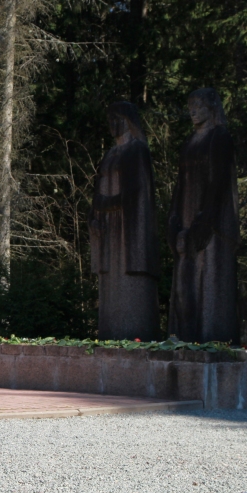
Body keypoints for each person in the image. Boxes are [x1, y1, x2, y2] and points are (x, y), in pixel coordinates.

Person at [167, 88, 239, 343]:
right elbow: (180, 184)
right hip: (187, 223)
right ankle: (186, 337)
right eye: (190, 107)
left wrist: (204, 222)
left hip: (211, 224)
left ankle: (211, 337)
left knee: (208, 282)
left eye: (198, 106)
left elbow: (218, 183)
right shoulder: (190, 142)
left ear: (212, 108)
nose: (193, 111)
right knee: (184, 289)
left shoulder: (220, 137)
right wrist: (174, 220)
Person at [89, 101, 159, 341]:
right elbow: (97, 189)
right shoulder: (110, 154)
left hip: (129, 229)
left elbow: (137, 193)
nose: (113, 124)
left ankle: (134, 336)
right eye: (110, 119)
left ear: (129, 121)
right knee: (110, 283)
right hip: (108, 228)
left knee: (129, 283)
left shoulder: (138, 150)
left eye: (117, 119)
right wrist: (94, 217)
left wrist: (106, 203)